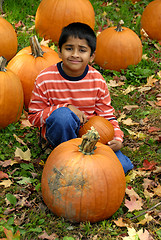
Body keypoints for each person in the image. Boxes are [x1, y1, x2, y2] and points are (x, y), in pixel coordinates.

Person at [28, 22, 134, 173]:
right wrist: (64, 107)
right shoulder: (45, 78)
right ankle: (66, 159)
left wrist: (117, 138)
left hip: (90, 137)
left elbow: (107, 116)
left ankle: (87, 167)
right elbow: (34, 117)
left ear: (92, 56)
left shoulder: (96, 80)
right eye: (69, 48)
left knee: (123, 166)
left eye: (82, 50)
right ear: (59, 51)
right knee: (63, 117)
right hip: (60, 134)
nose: (75, 54)